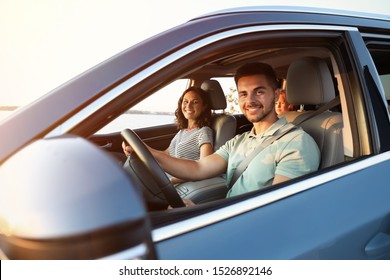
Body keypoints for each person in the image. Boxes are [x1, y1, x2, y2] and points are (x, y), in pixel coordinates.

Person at [123, 62, 320, 205]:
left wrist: (206, 217)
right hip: (230, 215)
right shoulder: (239, 141)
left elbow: (276, 210)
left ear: (276, 95)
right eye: (243, 94)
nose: (249, 100)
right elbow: (198, 168)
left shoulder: (297, 143)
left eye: (259, 92)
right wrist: (146, 151)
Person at [124, 86, 214, 185]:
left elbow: (205, 167)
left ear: (204, 106)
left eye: (195, 102)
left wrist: (172, 181)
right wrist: (138, 149)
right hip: (166, 177)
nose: (188, 106)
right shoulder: (182, 132)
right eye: (185, 101)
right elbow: (165, 155)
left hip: (176, 183)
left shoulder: (204, 131)